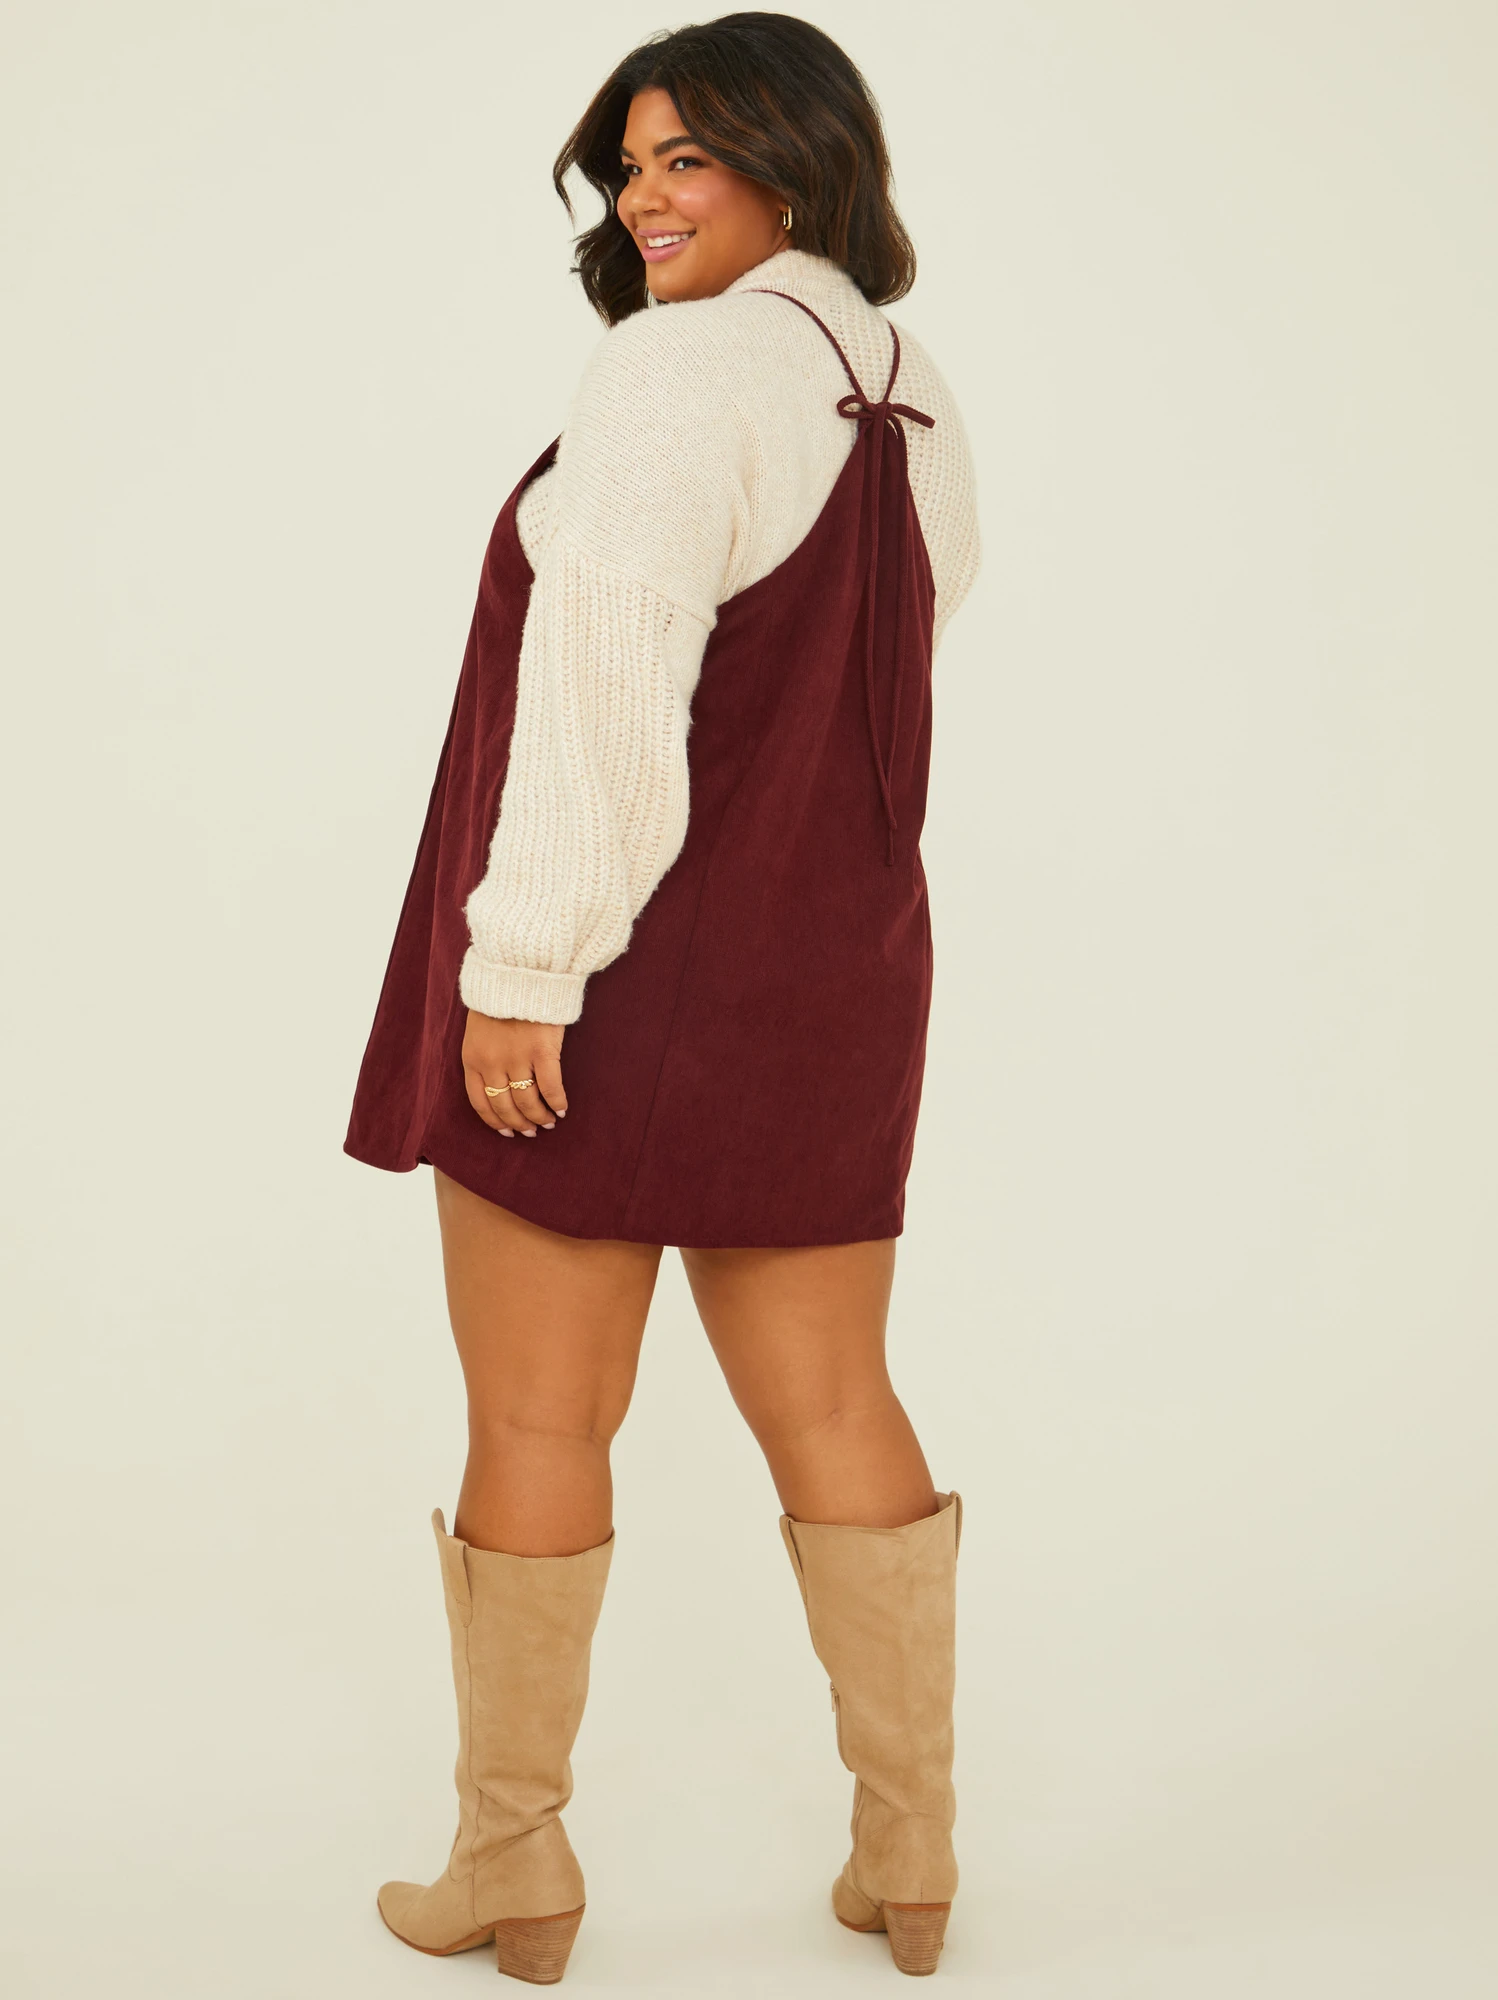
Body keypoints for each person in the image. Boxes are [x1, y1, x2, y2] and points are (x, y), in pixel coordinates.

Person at [344, 12, 979, 1983]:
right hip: (831, 975)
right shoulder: (906, 386)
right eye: (629, 166)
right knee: (838, 1401)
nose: (642, 197)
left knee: (540, 1414)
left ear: (798, 161)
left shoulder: (670, 372)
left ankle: (510, 1866)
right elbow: (912, 633)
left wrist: (523, 965)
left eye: (687, 156)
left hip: (613, 980)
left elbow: (606, 679)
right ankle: (910, 1859)